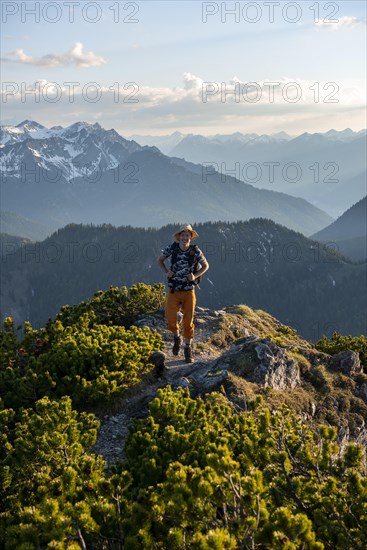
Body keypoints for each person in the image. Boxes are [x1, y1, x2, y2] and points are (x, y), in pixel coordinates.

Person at [158, 224, 209, 363]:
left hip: (188, 290)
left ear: (191, 237)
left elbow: (206, 266)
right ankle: (176, 336)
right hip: (173, 289)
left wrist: (195, 275)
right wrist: (166, 272)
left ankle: (187, 348)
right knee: (170, 319)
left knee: (188, 321)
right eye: (183, 235)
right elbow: (160, 260)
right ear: (179, 236)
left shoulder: (195, 251)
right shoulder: (172, 248)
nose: (185, 237)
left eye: (188, 235)